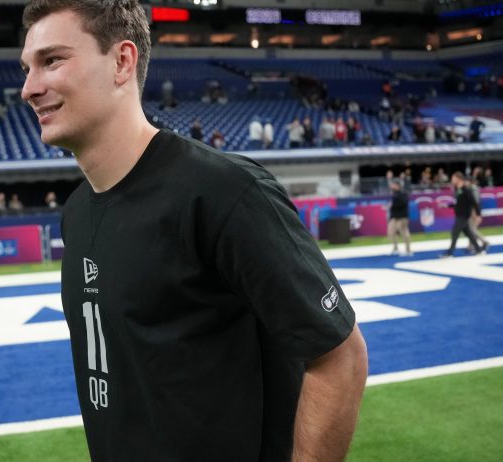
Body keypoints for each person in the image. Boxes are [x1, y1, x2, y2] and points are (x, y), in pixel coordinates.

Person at [19, 2, 368, 461]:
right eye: (27, 68)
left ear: (122, 61)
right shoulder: (78, 212)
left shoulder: (224, 192)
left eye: (52, 60)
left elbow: (340, 356)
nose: (29, 88)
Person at [440, 172, 487, 258]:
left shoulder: (466, 190)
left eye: (453, 178)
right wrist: (447, 205)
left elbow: (474, 202)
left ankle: (450, 253)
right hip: (459, 215)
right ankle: (479, 249)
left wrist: (478, 214)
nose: (452, 180)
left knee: (455, 232)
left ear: (458, 179)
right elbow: (457, 203)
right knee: (469, 233)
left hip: (464, 215)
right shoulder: (458, 190)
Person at [387, 180, 412, 256]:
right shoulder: (394, 194)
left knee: (404, 232)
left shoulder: (402, 194)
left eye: (394, 185)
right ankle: (395, 249)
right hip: (394, 217)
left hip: (402, 216)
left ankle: (408, 250)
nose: (392, 187)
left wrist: (392, 205)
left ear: (398, 186)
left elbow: (403, 203)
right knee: (391, 232)